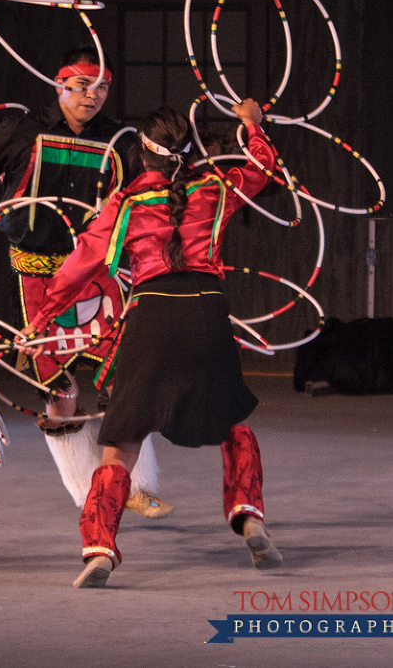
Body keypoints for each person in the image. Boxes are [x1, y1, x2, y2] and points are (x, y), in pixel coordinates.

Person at [18, 100, 284, 587]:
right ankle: (251, 520)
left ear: (143, 154)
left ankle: (99, 547)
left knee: (122, 445)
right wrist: (252, 124)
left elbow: (83, 262)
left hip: (153, 316)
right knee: (232, 424)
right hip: (208, 315)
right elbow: (264, 168)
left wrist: (42, 317)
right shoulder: (217, 188)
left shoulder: (126, 202)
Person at [0, 49, 173, 519]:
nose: (91, 96)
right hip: (39, 272)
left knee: (124, 375)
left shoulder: (120, 141)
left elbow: (151, 197)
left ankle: (131, 485)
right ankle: (88, 493)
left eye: (101, 88)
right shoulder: (24, 130)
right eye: (80, 86)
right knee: (59, 387)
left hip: (101, 274)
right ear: (58, 85)